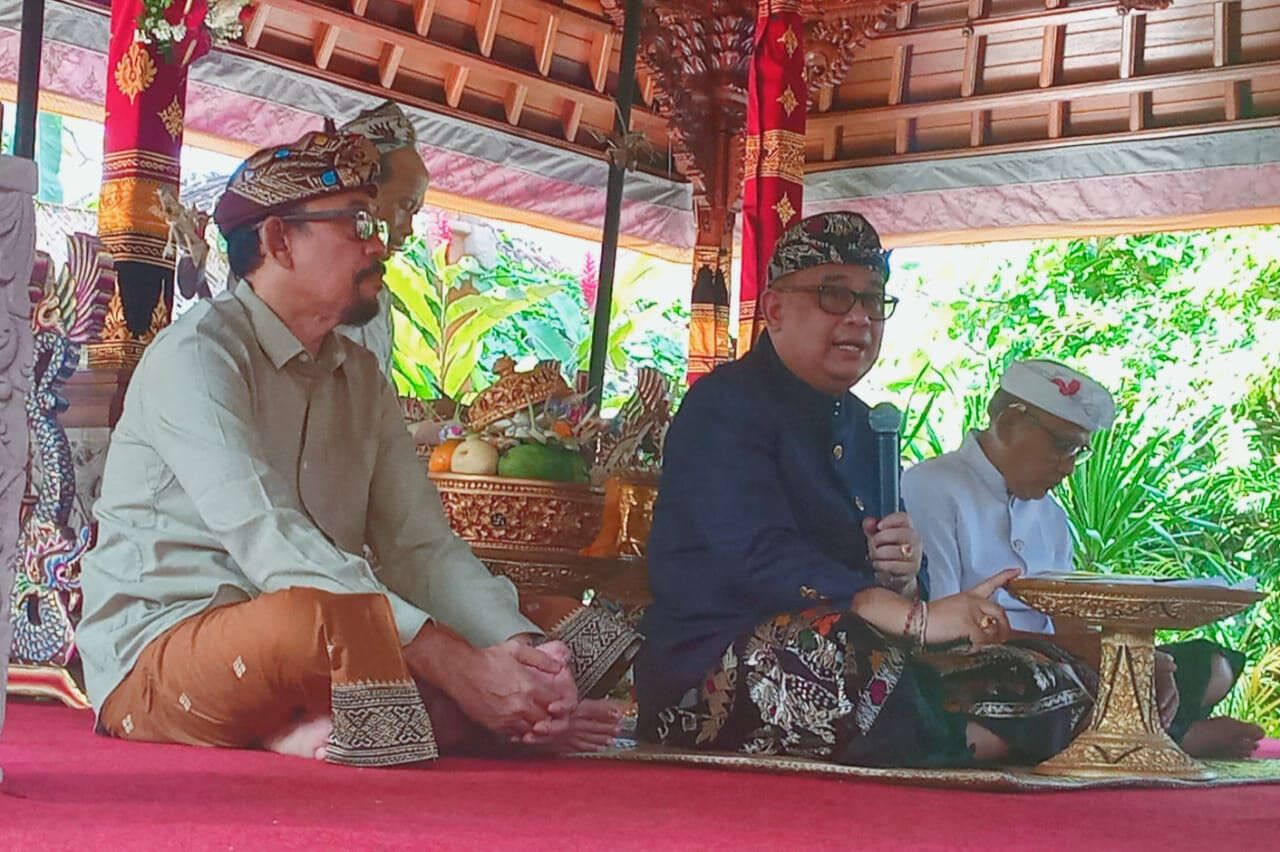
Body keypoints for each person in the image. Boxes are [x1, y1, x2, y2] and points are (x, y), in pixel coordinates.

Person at [77, 131, 620, 767]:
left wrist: (520, 655)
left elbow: (421, 548)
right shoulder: (197, 357)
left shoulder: (361, 376)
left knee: (538, 615)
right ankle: (421, 716)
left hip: (314, 634)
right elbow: (269, 537)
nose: (381, 244)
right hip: (170, 646)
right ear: (279, 241)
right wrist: (454, 660)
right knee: (328, 622)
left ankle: (405, 717)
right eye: (358, 224)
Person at [635, 212, 1098, 768]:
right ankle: (968, 739)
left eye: (873, 300)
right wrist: (908, 617)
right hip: (715, 664)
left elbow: (897, 588)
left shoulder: (867, 426)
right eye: (834, 295)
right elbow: (756, 557)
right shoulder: (723, 407)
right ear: (775, 310)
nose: (859, 318)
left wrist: (906, 576)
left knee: (1042, 664)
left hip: (871, 653)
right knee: (828, 654)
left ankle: (950, 734)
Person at [903, 359, 1264, 758]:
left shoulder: (1052, 516)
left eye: (1079, 451)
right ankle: (1171, 738)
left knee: (1210, 665)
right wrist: (1104, 661)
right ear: (1007, 424)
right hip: (978, 669)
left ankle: (1135, 729)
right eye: (1062, 446)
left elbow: (1069, 628)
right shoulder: (931, 486)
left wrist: (1132, 660)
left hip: (1060, 666)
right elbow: (944, 637)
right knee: (1032, 683)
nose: (1070, 466)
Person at [331, 100, 432, 376]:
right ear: (362, 195)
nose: (409, 229)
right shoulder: (306, 285)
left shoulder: (379, 296)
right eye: (406, 205)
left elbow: (378, 399)